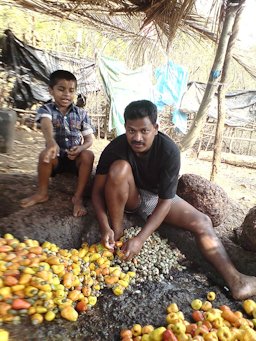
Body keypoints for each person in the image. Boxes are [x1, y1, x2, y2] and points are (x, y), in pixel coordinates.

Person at [92, 99, 256, 300]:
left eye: (144, 131)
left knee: (203, 222)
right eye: (131, 131)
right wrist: (104, 226)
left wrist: (140, 239)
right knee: (119, 168)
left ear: (156, 128)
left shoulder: (169, 150)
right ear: (124, 127)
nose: (137, 137)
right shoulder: (115, 147)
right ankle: (116, 234)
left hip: (156, 198)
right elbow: (97, 191)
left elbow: (165, 201)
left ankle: (237, 282)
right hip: (128, 196)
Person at [20, 70, 94, 217]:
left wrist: (81, 148)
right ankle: (42, 193)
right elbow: (46, 124)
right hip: (56, 159)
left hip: (75, 159)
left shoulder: (81, 114)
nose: (66, 94)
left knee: (89, 155)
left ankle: (77, 197)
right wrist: (51, 142)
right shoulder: (46, 109)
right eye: (61, 89)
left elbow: (89, 139)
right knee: (44, 155)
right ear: (51, 90)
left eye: (71, 90)